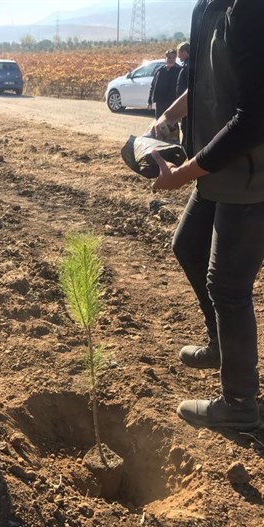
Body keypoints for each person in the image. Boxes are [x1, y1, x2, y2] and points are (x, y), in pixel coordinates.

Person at [151, 0, 264, 432]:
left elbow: (253, 118)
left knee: (229, 287)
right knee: (188, 245)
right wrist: (169, 115)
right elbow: (205, 81)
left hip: (252, 176)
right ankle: (221, 344)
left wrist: (183, 174)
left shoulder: (251, 9)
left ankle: (238, 402)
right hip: (221, 170)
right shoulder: (209, 6)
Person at [147, 49, 181, 120]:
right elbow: (153, 86)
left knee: (171, 125)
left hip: (172, 103)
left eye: (173, 57)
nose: (171, 59)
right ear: (165, 58)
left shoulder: (179, 71)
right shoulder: (160, 70)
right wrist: (150, 101)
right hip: (160, 103)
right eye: (169, 57)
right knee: (159, 123)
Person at [176, 42, 190, 149]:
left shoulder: (188, 66)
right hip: (185, 104)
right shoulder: (186, 64)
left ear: (184, 52)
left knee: (186, 129)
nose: (178, 56)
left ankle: (185, 150)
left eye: (178, 53)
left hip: (186, 104)